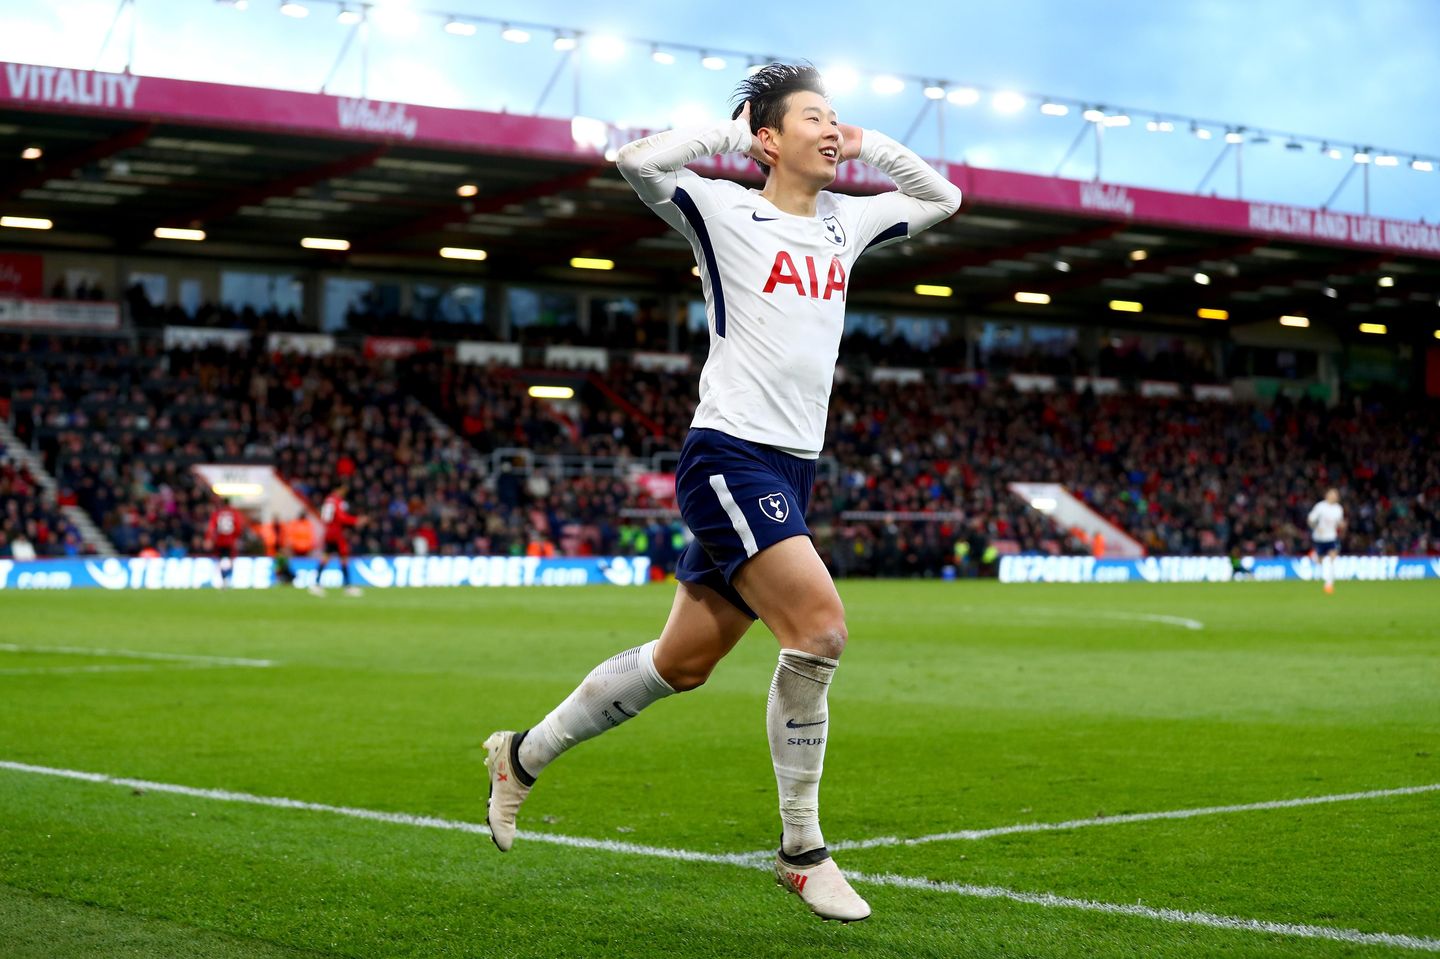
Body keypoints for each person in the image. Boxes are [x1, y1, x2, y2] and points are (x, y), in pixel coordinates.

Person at [483, 62, 960, 923]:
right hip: (729, 455)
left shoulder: (848, 222)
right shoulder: (723, 207)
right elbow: (638, 164)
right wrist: (733, 135)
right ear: (769, 137)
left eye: (837, 119)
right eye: (813, 117)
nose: (831, 128)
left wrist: (867, 143)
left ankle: (520, 754)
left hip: (790, 469)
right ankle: (802, 850)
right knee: (820, 630)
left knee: (681, 666)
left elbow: (942, 199)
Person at [312, 484, 363, 597]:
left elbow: (325, 517)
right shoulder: (336, 501)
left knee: (325, 558)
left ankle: (316, 584)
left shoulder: (328, 500)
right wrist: (356, 520)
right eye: (343, 490)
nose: (344, 492)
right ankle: (348, 586)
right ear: (338, 489)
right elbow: (341, 517)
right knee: (344, 558)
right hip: (336, 533)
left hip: (329, 531)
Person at [1307, 487, 1344, 594]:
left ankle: (1329, 584)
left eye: (1336, 494)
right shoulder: (1320, 506)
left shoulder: (1338, 509)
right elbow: (1310, 519)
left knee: (1333, 558)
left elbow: (1339, 523)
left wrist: (1342, 525)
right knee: (1320, 561)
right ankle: (1314, 557)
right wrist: (1315, 528)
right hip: (1319, 538)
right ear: (1327, 495)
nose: (1334, 496)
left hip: (1331, 537)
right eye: (1332, 494)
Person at [205, 498, 247, 589]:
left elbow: (211, 527)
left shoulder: (217, 513)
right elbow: (239, 527)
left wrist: (209, 539)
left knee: (221, 560)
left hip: (220, 541)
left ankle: (223, 580)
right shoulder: (234, 513)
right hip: (231, 541)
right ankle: (228, 579)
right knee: (231, 560)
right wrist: (236, 538)